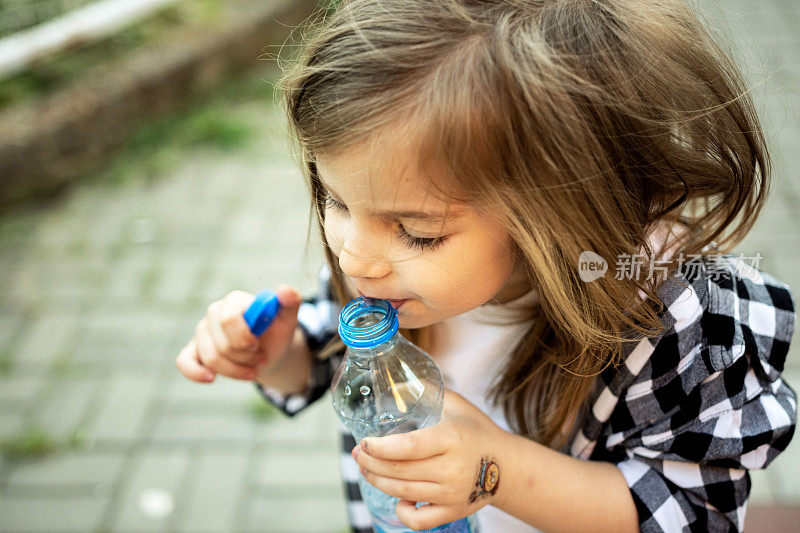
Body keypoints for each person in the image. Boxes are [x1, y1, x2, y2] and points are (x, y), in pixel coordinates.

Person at [175, 1, 797, 531]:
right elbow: (331, 370)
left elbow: (696, 511)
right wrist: (278, 358)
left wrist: (497, 470)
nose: (351, 254)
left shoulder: (666, 316)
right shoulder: (381, 279)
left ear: (556, 208)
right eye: (336, 200)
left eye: (416, 233)